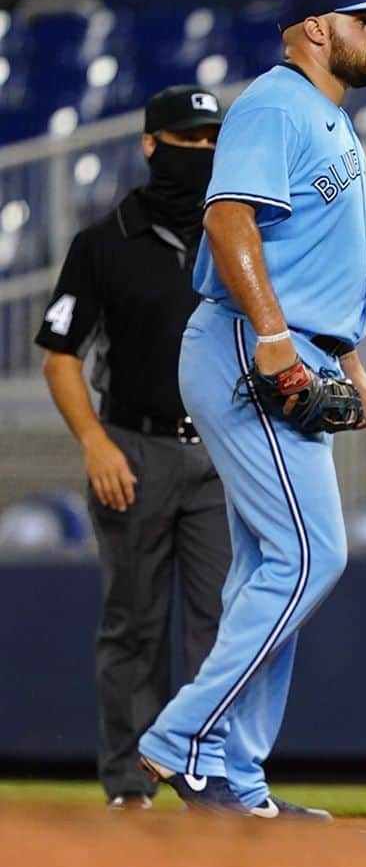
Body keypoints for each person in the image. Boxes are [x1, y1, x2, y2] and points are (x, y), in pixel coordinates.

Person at [137, 0, 366, 819]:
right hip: (246, 346)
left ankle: (234, 780)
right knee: (309, 556)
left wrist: (349, 362)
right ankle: (184, 741)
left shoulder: (329, 120)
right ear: (319, 28)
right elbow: (228, 220)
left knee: (268, 569)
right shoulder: (274, 105)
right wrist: (278, 340)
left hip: (298, 348)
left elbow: (319, 258)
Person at [36, 85, 230, 811]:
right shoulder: (103, 241)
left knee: (221, 628)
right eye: (189, 144)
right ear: (151, 145)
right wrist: (94, 443)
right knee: (133, 627)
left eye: (214, 143)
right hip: (133, 449)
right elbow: (60, 354)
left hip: (220, 452)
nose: (204, 155)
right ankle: (128, 787)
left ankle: (213, 780)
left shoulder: (239, 233)